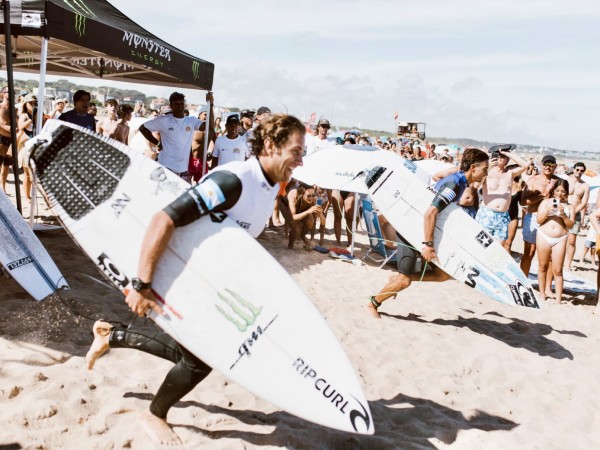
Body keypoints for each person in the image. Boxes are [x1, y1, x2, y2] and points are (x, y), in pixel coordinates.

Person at [85, 114, 306, 445]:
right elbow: (164, 220)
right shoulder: (234, 181)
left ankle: (111, 335)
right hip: (182, 274)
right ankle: (154, 414)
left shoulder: (270, 185)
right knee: (202, 359)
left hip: (215, 284)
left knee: (193, 355)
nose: (302, 161)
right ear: (272, 145)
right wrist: (142, 285)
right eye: (297, 151)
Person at [366, 148, 490, 318]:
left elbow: (436, 185)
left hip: (423, 230)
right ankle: (373, 303)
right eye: (485, 169)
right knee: (404, 281)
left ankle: (396, 278)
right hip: (413, 232)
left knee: (443, 274)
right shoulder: (455, 184)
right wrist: (428, 245)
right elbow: (430, 212)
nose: (486, 173)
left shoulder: (459, 180)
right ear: (473, 167)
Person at [139, 92, 215, 182]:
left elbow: (210, 126)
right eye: (176, 104)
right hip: (166, 168)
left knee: (185, 195)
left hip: (183, 170)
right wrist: (157, 143)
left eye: (182, 103)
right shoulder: (164, 120)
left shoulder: (191, 121)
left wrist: (210, 105)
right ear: (171, 106)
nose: (180, 106)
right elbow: (142, 128)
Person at [475, 145, 528, 247]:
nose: (500, 157)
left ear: (507, 160)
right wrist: (487, 168)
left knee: (498, 249)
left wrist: (507, 153)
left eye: (502, 156)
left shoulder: (510, 173)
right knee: (481, 246)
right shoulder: (487, 172)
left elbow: (525, 165)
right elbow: (476, 185)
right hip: (487, 213)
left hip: (503, 216)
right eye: (498, 155)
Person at [519, 155, 559, 278]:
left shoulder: (559, 181)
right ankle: (523, 281)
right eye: (546, 164)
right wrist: (544, 194)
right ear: (541, 165)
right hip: (534, 218)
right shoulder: (533, 180)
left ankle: (547, 288)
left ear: (555, 166)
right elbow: (524, 201)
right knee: (529, 252)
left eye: (551, 164)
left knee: (551, 256)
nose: (548, 167)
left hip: (551, 221)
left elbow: (564, 199)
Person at [535, 179, 574, 303]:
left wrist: (563, 215)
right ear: (553, 191)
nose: (560, 194)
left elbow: (571, 225)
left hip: (560, 239)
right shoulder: (545, 202)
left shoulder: (570, 207)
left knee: (558, 270)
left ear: (567, 193)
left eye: (563, 191)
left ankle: (558, 299)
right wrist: (547, 211)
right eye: (557, 190)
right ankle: (542, 294)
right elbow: (539, 220)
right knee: (542, 266)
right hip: (543, 235)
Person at [565, 162, 590, 271]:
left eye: (581, 170)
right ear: (573, 169)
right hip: (563, 212)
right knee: (560, 237)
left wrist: (574, 212)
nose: (579, 172)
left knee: (571, 240)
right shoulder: (566, 182)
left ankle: (568, 264)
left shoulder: (585, 186)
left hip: (576, 213)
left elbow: (584, 202)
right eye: (577, 170)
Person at [286, 183, 323, 250]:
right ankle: (290, 244)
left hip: (300, 209)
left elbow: (322, 219)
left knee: (310, 222)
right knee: (297, 227)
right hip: (284, 205)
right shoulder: (294, 196)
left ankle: (302, 236)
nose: (311, 197)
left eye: (313, 195)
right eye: (308, 196)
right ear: (302, 194)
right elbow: (294, 217)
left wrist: (319, 214)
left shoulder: (313, 198)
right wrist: (309, 211)